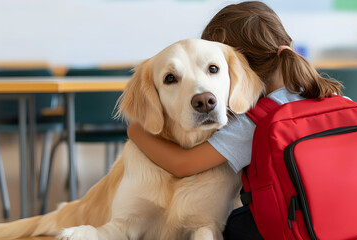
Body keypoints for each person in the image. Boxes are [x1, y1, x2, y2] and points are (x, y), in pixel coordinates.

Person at [127, 1, 342, 239]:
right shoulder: (331, 95)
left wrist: (136, 132)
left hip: (303, 228)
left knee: (227, 224)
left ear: (238, 69)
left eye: (214, 69)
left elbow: (183, 164)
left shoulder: (257, 121)